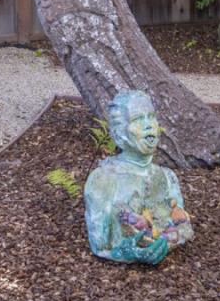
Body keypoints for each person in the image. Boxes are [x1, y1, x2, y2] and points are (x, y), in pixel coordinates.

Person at [83, 89, 193, 264]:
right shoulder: (103, 180)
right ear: (119, 134)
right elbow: (100, 245)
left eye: (151, 116)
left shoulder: (167, 177)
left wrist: (169, 241)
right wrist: (126, 253)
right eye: (137, 119)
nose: (148, 125)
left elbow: (183, 226)